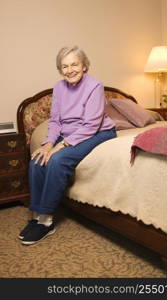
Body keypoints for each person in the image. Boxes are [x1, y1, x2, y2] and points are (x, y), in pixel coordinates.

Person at [19, 46, 116, 245]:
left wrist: (61, 146)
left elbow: (91, 124)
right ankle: (36, 215)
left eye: (74, 64)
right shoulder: (59, 88)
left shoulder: (95, 85)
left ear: (84, 66)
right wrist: (47, 144)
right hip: (68, 132)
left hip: (97, 131)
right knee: (37, 159)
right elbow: (55, 121)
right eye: (65, 66)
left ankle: (46, 221)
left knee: (57, 160)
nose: (70, 70)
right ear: (60, 69)